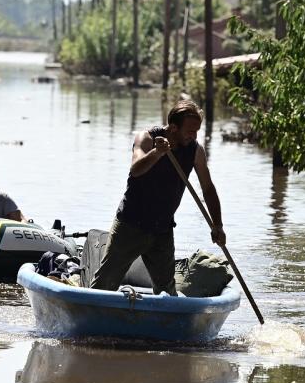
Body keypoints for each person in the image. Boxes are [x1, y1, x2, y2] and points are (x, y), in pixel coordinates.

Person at [91, 100, 226, 296]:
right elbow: (136, 170)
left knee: (167, 293)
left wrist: (218, 225)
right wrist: (157, 152)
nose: (194, 136)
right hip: (130, 225)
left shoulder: (195, 151)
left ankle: (164, 322)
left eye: (197, 131)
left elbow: (208, 188)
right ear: (173, 127)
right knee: (104, 284)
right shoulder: (146, 138)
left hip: (162, 229)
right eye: (190, 131)